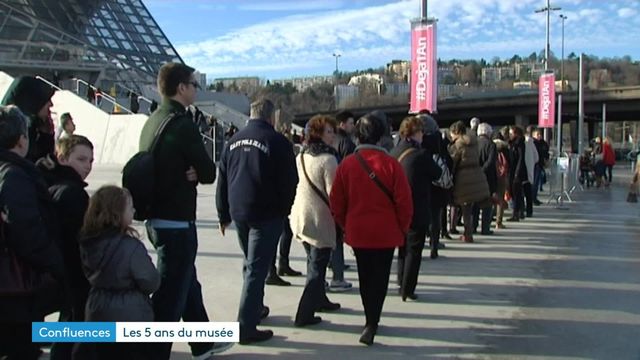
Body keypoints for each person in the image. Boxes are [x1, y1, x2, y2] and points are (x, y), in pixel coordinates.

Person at [139, 62, 231, 359]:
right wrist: (193, 170)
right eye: (194, 84)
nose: (196, 89)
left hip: (156, 218)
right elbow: (208, 172)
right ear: (181, 88)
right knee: (169, 297)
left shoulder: (153, 119)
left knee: (187, 284)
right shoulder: (182, 124)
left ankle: (202, 343)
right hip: (176, 221)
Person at [216, 98, 298, 344]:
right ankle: (245, 326)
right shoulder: (278, 142)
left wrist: (223, 213)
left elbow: (222, 178)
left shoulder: (232, 141)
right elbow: (290, 181)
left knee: (251, 263)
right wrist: (285, 209)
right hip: (266, 214)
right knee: (256, 268)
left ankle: (256, 308)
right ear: (271, 117)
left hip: (238, 210)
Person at [329, 114, 412, 345]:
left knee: (365, 277)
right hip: (386, 233)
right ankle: (373, 319)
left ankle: (369, 320)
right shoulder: (391, 164)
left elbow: (336, 202)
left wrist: (346, 225)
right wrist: (402, 228)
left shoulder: (347, 164)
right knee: (381, 278)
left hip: (359, 232)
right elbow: (405, 203)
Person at [0, 105, 65, 360]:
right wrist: (56, 264)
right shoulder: (14, 175)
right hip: (15, 290)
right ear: (21, 139)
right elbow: (26, 233)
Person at [79, 186, 159, 359]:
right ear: (117, 212)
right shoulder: (130, 247)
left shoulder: (88, 242)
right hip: (130, 315)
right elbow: (150, 280)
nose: (134, 210)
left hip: (96, 309)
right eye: (130, 207)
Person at [37, 135, 94, 360]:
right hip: (74, 277)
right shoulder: (72, 193)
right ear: (62, 158)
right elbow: (78, 241)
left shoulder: (51, 184)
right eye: (81, 159)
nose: (87, 166)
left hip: (62, 276)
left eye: (90, 160)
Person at [291, 114, 341, 327]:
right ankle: (304, 313)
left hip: (301, 216)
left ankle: (320, 299)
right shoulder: (328, 160)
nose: (333, 136)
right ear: (319, 134)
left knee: (313, 260)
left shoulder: (301, 155)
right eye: (329, 132)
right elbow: (335, 194)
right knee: (317, 266)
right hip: (320, 219)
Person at [390, 116, 441, 301]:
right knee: (414, 249)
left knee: (402, 247)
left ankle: (400, 281)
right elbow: (438, 173)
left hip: (397, 208)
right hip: (417, 207)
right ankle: (408, 288)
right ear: (416, 133)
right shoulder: (420, 155)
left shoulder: (394, 152)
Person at [448, 121, 490, 243]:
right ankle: (469, 231)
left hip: (463, 178)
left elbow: (454, 162)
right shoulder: (473, 143)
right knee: (470, 207)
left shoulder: (457, 145)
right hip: (475, 175)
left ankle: (468, 234)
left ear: (455, 132)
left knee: (465, 206)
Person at [329, 109, 356, 292]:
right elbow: (349, 171)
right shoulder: (346, 143)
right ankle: (337, 276)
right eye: (351, 123)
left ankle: (335, 265)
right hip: (339, 194)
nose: (353, 126)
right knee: (337, 236)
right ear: (342, 124)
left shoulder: (332, 142)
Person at [1, 76, 56, 162]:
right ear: (31, 102)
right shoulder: (12, 133)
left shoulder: (32, 129)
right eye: (46, 100)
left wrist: (46, 136)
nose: (51, 104)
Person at [475, 123, 497, 235]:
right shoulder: (491, 145)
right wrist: (483, 170)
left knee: (475, 204)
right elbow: (491, 161)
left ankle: (473, 226)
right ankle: (485, 228)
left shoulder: (473, 144)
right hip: (488, 177)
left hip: (474, 176)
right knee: (487, 204)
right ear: (488, 133)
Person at [507, 126, 527, 222]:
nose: (509, 135)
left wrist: (517, 172)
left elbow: (520, 158)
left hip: (516, 171)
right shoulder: (511, 143)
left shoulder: (519, 144)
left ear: (516, 134)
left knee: (516, 192)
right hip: (511, 170)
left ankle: (516, 213)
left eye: (511, 133)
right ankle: (519, 211)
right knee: (513, 192)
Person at [493, 131, 511, 229]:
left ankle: (488, 219)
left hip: (492, 175)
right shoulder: (505, 148)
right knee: (500, 198)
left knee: (491, 197)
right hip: (502, 175)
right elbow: (509, 162)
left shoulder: (490, 146)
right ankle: (498, 221)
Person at [524, 126, 539, 217]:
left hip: (522, 170)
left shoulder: (522, 143)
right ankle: (529, 210)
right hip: (529, 170)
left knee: (520, 192)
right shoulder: (532, 143)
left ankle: (520, 210)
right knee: (528, 191)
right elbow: (536, 157)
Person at [532, 129, 549, 203]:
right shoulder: (533, 143)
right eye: (537, 134)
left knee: (537, 182)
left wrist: (546, 160)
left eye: (540, 134)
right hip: (534, 164)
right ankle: (532, 198)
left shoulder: (543, 143)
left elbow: (545, 152)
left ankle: (534, 197)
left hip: (540, 164)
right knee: (534, 182)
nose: (539, 136)